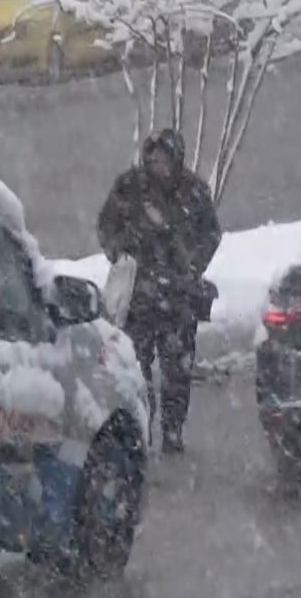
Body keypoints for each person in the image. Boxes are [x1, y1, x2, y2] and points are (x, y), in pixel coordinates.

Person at [98, 128, 222, 454]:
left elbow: (211, 232)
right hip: (138, 297)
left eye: (165, 160)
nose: (159, 166)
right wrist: (119, 251)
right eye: (153, 160)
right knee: (136, 366)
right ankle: (142, 425)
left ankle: (172, 429)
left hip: (179, 298)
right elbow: (106, 225)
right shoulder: (129, 187)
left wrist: (193, 265)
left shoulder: (194, 191)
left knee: (177, 368)